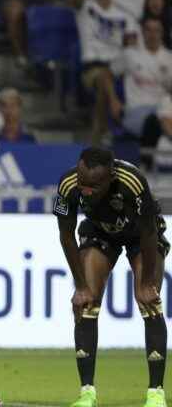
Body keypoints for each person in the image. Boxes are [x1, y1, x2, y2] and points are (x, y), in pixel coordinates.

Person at [54, 147, 168, 407]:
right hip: (100, 231)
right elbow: (65, 235)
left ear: (111, 177)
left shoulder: (133, 181)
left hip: (141, 235)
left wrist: (148, 282)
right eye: (83, 183)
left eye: (94, 185)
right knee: (86, 303)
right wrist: (80, 286)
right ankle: (87, 394)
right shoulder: (68, 184)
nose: (86, 190)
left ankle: (155, 393)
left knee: (149, 300)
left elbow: (149, 232)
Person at [65, 0, 139, 145]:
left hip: (121, 68)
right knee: (102, 78)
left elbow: (132, 48)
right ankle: (103, 131)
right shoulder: (85, 7)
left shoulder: (126, 15)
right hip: (93, 68)